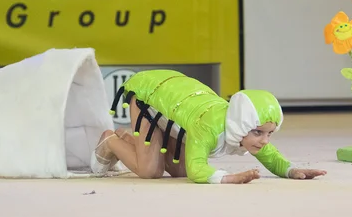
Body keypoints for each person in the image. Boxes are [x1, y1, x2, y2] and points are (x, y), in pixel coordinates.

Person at [91, 70, 327, 184]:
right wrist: (228, 178)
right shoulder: (210, 127)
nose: (264, 141)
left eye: (269, 134)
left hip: (181, 106)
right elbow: (197, 170)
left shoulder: (246, 130)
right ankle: (110, 139)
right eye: (258, 132)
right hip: (150, 96)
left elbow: (270, 156)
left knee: (177, 171)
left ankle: (129, 139)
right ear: (242, 124)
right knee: (150, 171)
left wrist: (292, 170)